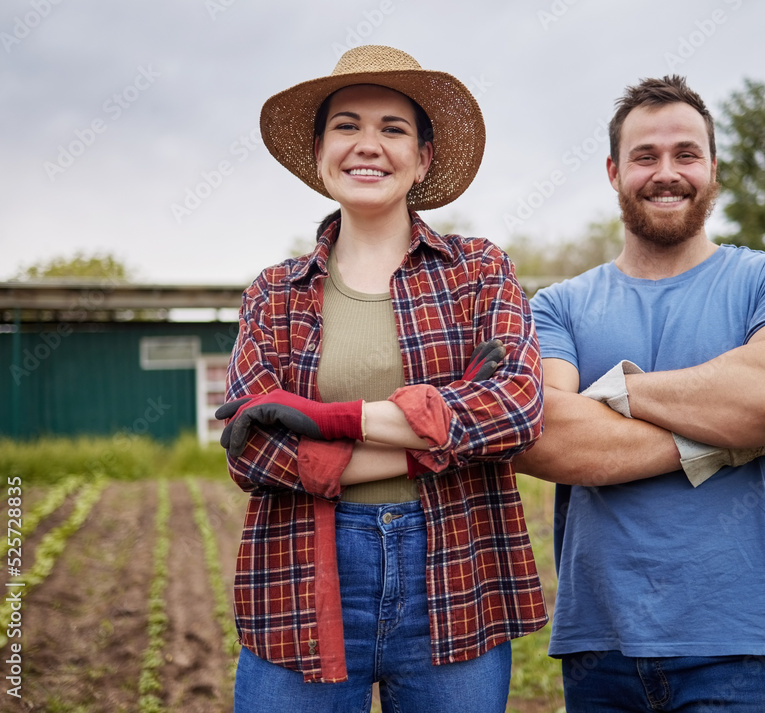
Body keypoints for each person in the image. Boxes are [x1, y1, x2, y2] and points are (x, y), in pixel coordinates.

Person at [218, 45, 546, 713]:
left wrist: (327, 419)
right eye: (347, 125)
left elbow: (513, 408)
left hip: (454, 573)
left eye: (393, 128)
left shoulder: (479, 272)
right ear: (319, 151)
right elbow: (252, 447)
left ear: (423, 157)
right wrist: (441, 430)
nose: (369, 145)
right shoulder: (274, 293)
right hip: (302, 575)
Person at [515, 75, 765, 712]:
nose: (667, 173)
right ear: (614, 171)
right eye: (645, 156)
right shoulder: (558, 306)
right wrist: (734, 439)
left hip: (745, 643)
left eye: (686, 154)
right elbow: (545, 435)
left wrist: (610, 392)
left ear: (713, 167)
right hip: (600, 648)